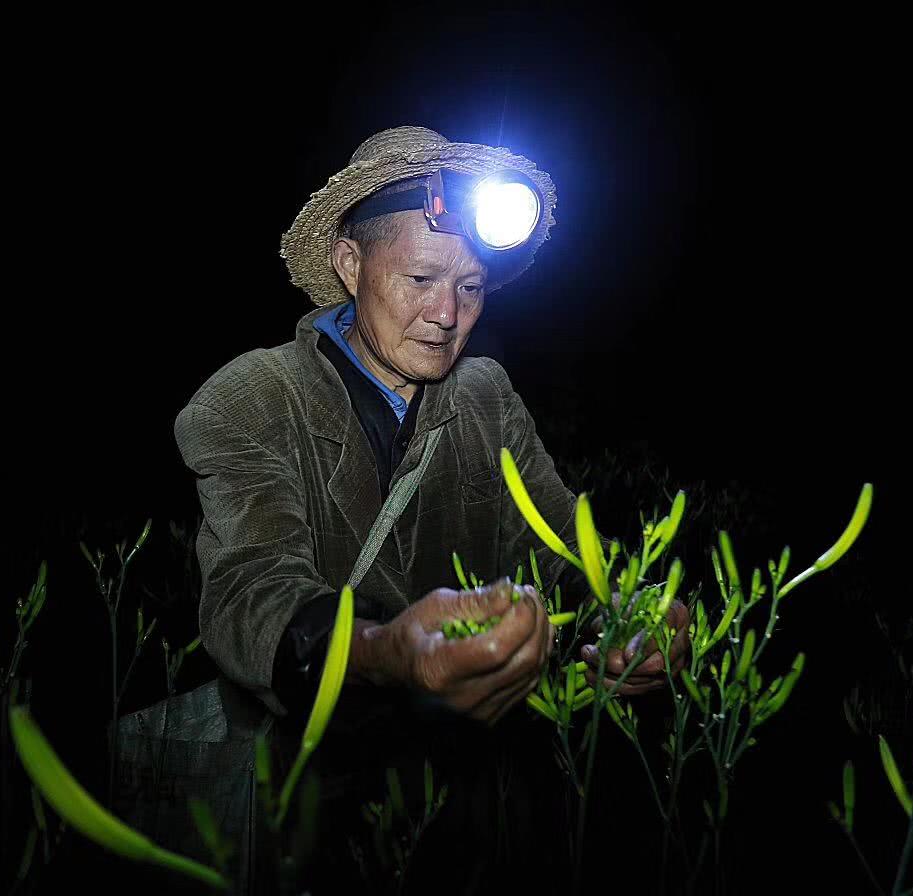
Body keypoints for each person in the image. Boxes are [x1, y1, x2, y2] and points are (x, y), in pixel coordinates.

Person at [171, 126, 689, 888]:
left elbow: (562, 541)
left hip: (474, 810)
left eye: (471, 286)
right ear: (351, 265)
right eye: (420, 279)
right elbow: (249, 594)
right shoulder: (249, 399)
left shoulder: (486, 397)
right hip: (304, 809)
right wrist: (385, 651)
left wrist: (636, 614)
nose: (447, 315)